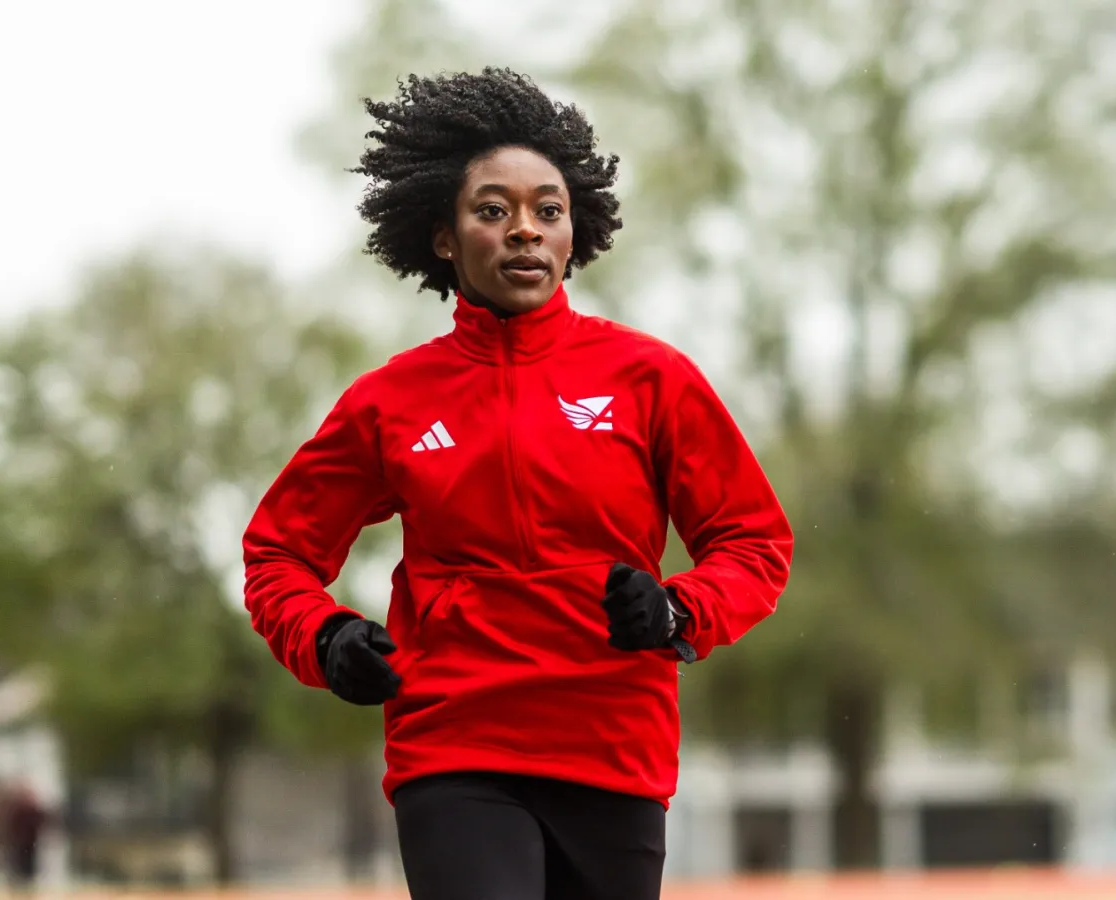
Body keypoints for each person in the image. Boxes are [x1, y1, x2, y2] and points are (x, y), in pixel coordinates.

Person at [242, 67, 793, 900]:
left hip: (613, 745)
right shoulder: (390, 402)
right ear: (444, 236)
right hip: (455, 745)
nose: (524, 231)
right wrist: (324, 639)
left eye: (548, 210)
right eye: (493, 211)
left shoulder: (650, 378)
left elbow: (754, 542)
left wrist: (680, 609)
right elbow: (277, 553)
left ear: (576, 233)